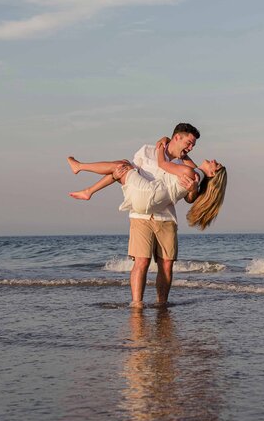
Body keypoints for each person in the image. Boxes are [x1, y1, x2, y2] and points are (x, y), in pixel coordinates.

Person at [67, 123, 227, 308]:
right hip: (142, 214)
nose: (191, 148)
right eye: (189, 143)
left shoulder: (184, 165)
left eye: (192, 145)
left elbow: (190, 196)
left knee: (166, 265)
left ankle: (162, 304)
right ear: (177, 137)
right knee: (141, 261)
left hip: (165, 216)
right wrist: (162, 146)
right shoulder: (148, 151)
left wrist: (191, 186)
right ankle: (137, 303)